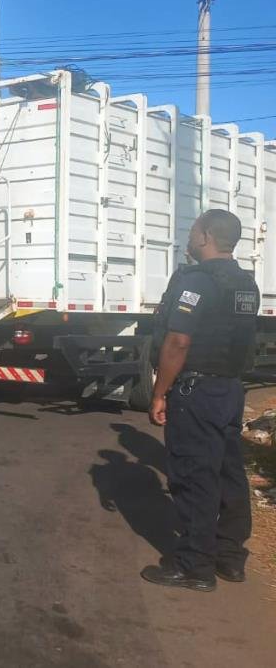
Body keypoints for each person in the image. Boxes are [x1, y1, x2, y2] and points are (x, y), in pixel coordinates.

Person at [141, 209, 259, 592]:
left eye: (193, 232)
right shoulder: (245, 284)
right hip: (230, 390)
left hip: (197, 391)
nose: (189, 239)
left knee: (195, 475)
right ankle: (229, 556)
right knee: (228, 472)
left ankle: (194, 566)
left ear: (206, 236)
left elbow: (179, 341)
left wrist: (160, 393)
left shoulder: (198, 282)